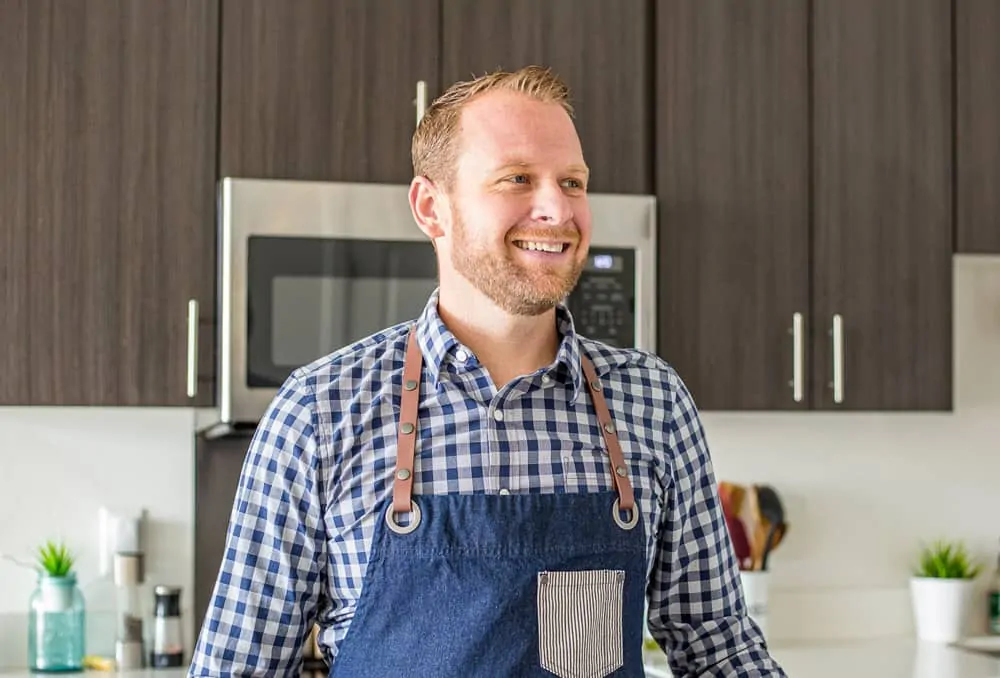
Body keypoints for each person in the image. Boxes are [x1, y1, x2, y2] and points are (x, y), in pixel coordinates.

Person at [189, 65, 787, 677]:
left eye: (573, 182)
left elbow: (719, 650)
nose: (557, 208)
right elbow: (238, 668)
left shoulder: (652, 404)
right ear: (431, 208)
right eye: (517, 179)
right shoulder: (319, 412)